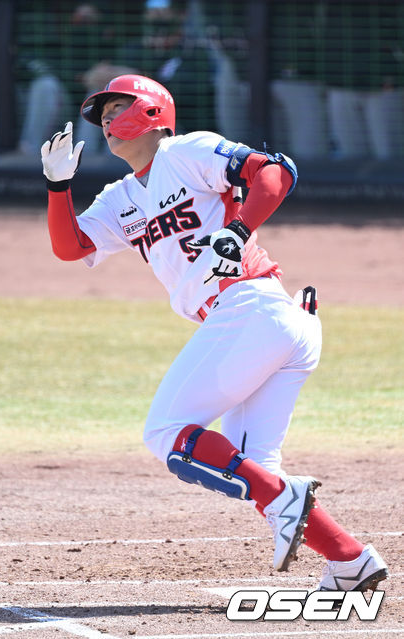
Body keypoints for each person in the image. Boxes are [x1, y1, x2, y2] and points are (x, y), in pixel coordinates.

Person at [40, 73, 389, 590]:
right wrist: (57, 186)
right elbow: (71, 247)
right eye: (102, 116)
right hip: (263, 323)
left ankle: (287, 498)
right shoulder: (118, 199)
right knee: (255, 468)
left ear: (152, 113)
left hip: (250, 308)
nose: (107, 122)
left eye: (116, 109)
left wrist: (238, 231)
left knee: (166, 432)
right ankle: (350, 560)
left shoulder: (186, 151)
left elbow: (276, 171)